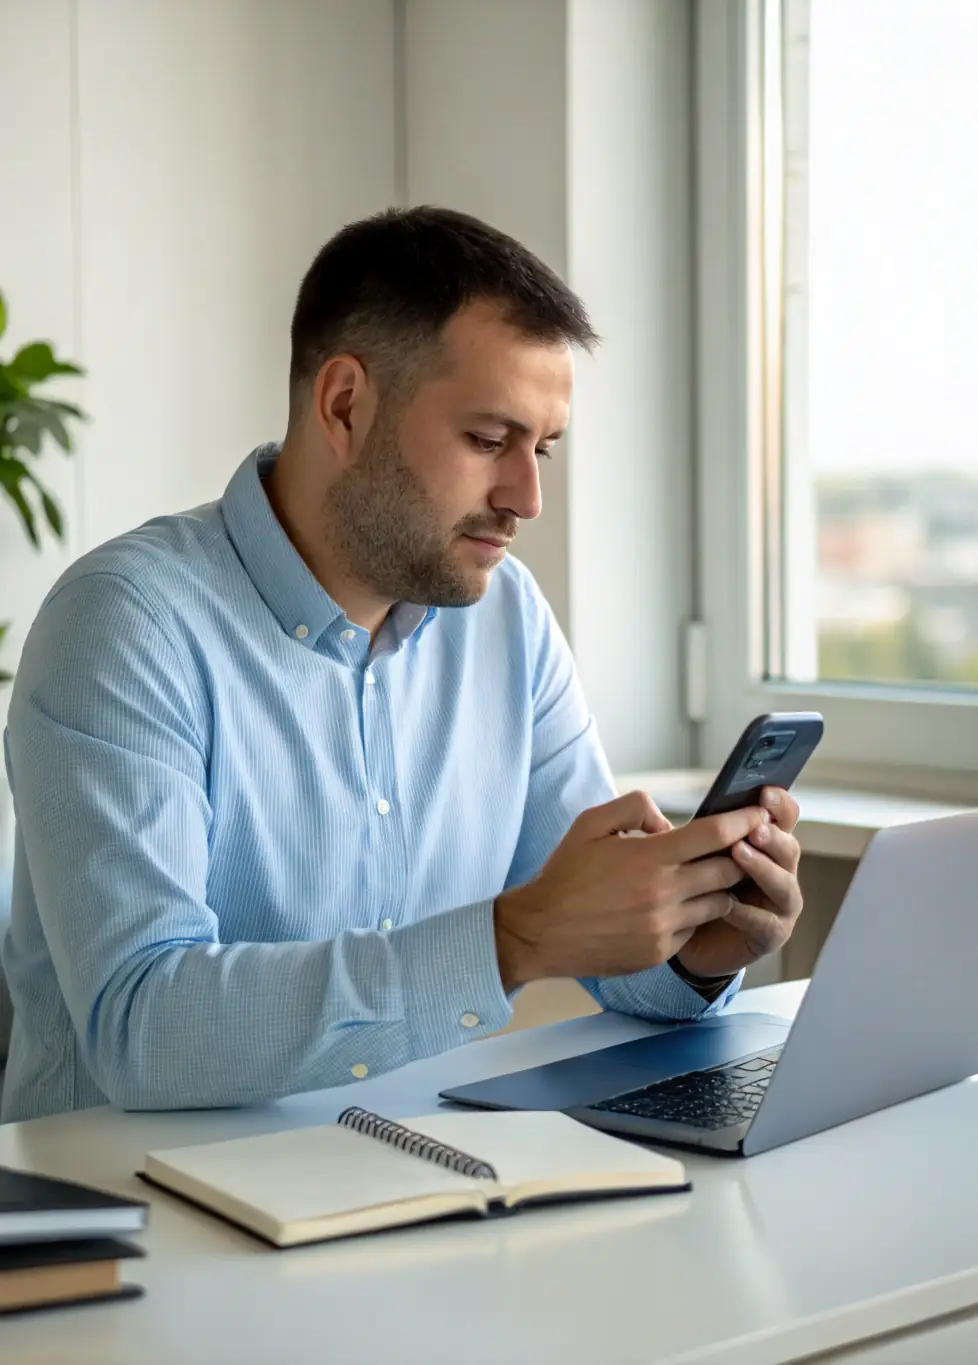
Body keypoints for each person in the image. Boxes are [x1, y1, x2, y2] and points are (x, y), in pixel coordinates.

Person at [1, 207, 804, 1123]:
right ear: (345, 405)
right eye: (489, 439)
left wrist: (696, 942)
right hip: (134, 1210)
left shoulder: (508, 618)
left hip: (416, 1173)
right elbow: (142, 1027)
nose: (528, 496)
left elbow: (599, 944)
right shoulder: (124, 625)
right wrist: (511, 939)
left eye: (541, 449)